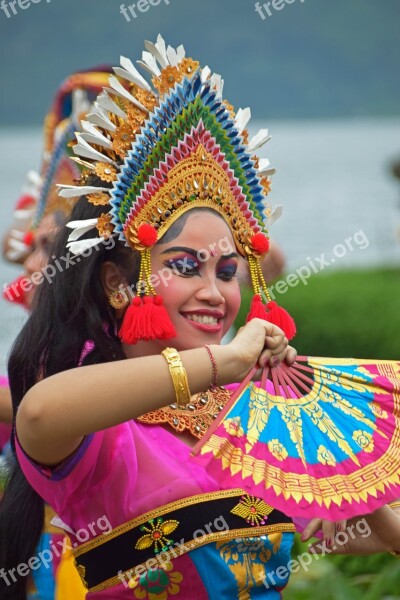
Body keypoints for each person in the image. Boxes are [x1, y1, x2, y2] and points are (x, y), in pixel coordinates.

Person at [1, 36, 399, 600]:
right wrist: (228, 360)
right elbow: (36, 415)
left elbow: (328, 530)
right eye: (185, 266)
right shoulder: (102, 423)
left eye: (229, 270)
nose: (215, 292)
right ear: (118, 283)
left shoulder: (247, 413)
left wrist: (363, 489)